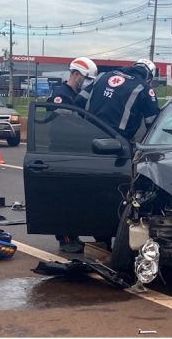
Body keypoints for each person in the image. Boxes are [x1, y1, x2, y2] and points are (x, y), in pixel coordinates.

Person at [47, 57, 98, 254]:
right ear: (76, 74)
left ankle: (75, 234)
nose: (86, 84)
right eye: (85, 79)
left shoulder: (77, 96)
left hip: (73, 151)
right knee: (65, 199)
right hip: (61, 152)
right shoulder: (61, 95)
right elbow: (64, 123)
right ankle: (66, 238)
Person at [76, 59, 160, 141]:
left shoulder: (102, 76)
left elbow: (80, 101)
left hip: (88, 132)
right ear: (149, 78)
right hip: (117, 141)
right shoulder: (144, 88)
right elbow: (153, 123)